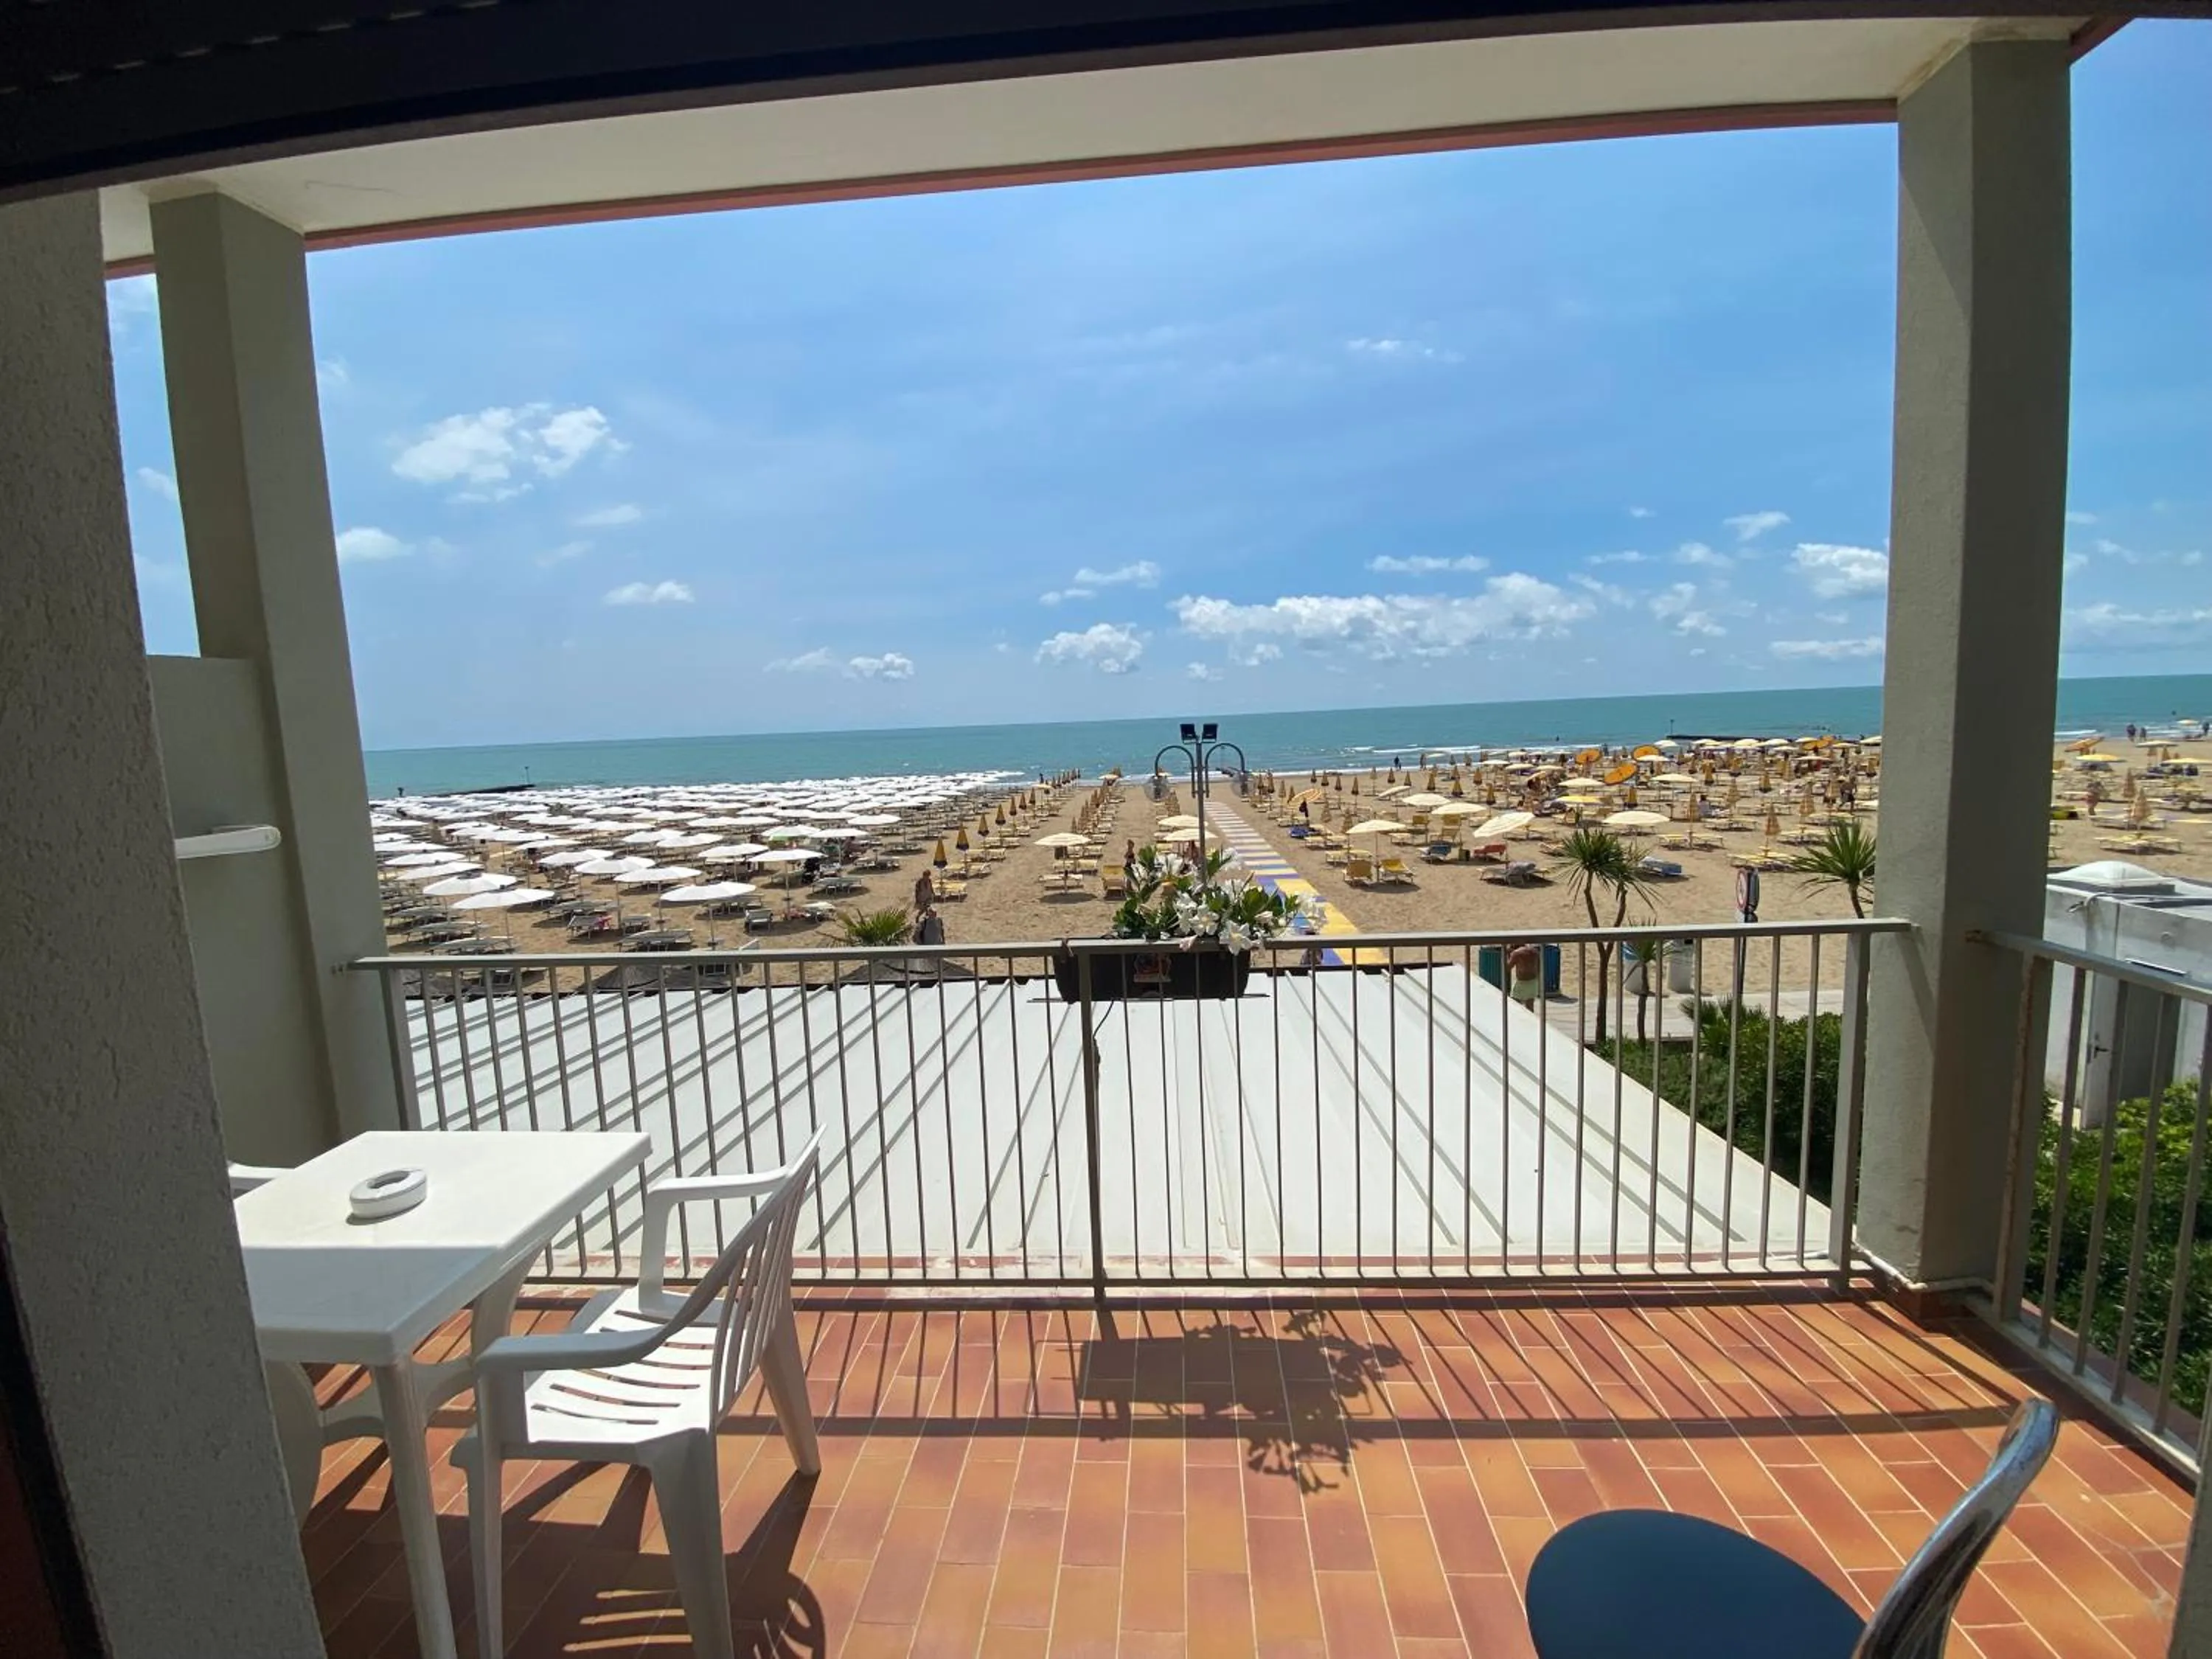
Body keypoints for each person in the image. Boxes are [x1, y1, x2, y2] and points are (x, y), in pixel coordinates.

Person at [1506, 940, 1544, 1009]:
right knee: (1530, 1007)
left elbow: (1507, 968)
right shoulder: (1535, 951)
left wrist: (1509, 956)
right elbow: (1539, 967)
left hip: (1522, 982)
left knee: (1515, 1006)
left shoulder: (1516, 953)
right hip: (1533, 981)